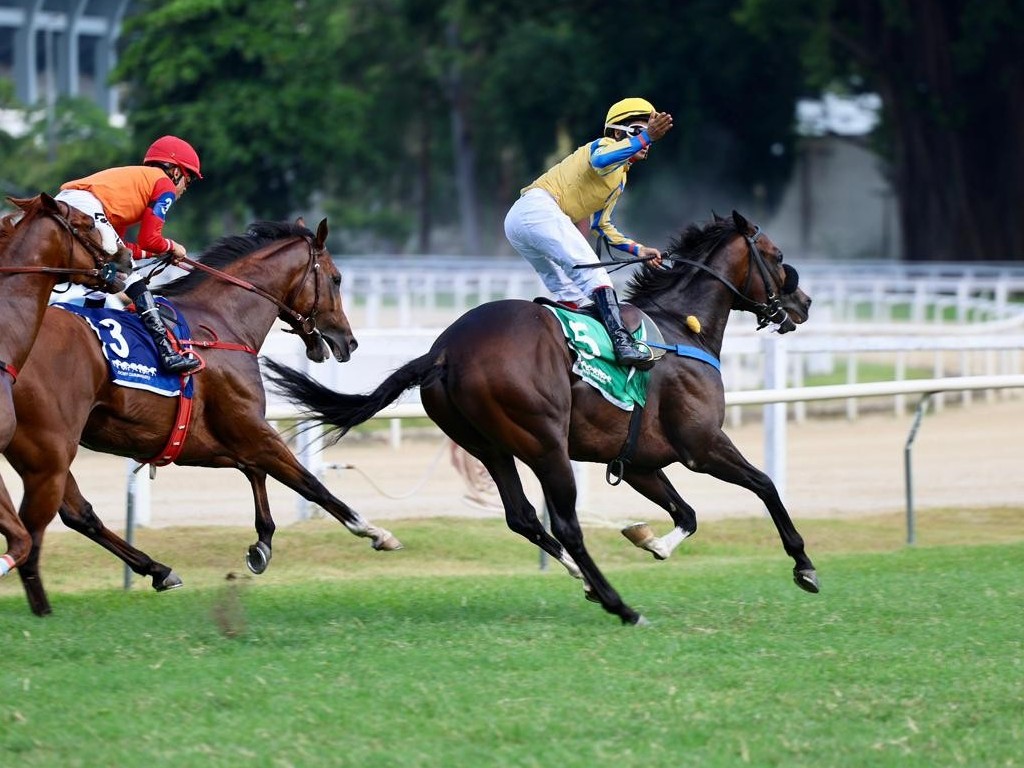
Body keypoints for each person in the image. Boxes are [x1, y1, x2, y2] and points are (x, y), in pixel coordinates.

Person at [504, 97, 673, 369]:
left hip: (521, 221)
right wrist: (645, 138)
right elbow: (599, 160)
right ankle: (623, 345)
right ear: (619, 133)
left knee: (569, 291)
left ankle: (572, 354)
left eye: (649, 135)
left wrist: (638, 250)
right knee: (595, 276)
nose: (647, 141)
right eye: (640, 131)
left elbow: (601, 225)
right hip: (537, 209)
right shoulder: (604, 146)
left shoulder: (620, 179)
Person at [55, 135, 203, 374]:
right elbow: (150, 239)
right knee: (130, 276)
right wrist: (173, 247)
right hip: (84, 208)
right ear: (175, 171)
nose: (185, 188)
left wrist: (158, 253)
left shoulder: (129, 191)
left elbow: (125, 248)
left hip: (65, 205)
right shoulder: (163, 184)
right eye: (189, 179)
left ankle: (90, 333)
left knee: (109, 272)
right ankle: (167, 352)